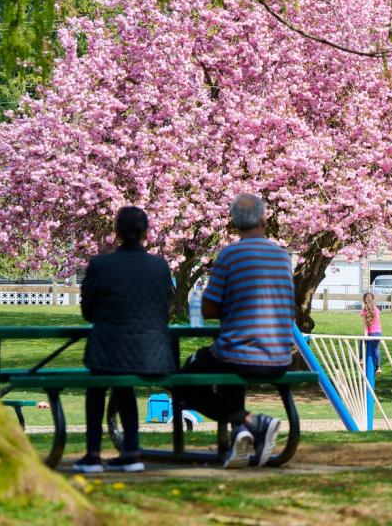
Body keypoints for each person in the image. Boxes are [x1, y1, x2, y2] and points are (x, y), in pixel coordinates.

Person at [175, 194, 292, 469]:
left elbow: (209, 310)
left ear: (233, 224)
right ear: (265, 219)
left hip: (239, 353)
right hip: (279, 355)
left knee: (181, 382)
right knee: (229, 362)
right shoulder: (282, 257)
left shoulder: (230, 255)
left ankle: (251, 422)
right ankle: (241, 432)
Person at [74, 207, 175, 473]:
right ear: (147, 232)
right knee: (123, 385)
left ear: (116, 232)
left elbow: (87, 311)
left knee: (98, 387)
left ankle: (93, 454)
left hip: (108, 351)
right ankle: (131, 451)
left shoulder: (100, 265)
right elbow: (165, 308)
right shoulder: (160, 266)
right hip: (152, 355)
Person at [361, 292, 382, 374]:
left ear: (364, 301)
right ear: (373, 300)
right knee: (376, 349)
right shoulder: (376, 310)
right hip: (378, 333)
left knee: (361, 341)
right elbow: (379, 323)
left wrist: (365, 336)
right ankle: (378, 367)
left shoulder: (364, 311)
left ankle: (361, 358)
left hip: (370, 333)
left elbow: (366, 326)